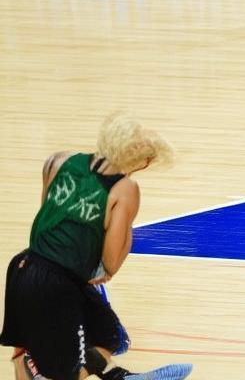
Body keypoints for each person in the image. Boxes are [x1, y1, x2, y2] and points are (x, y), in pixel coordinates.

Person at [0, 114, 193, 380]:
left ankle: (116, 376)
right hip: (59, 284)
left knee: (28, 350)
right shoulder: (125, 189)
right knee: (105, 340)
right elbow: (110, 263)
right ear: (140, 160)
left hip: (23, 267)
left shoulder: (58, 161)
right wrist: (126, 233)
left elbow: (48, 215)